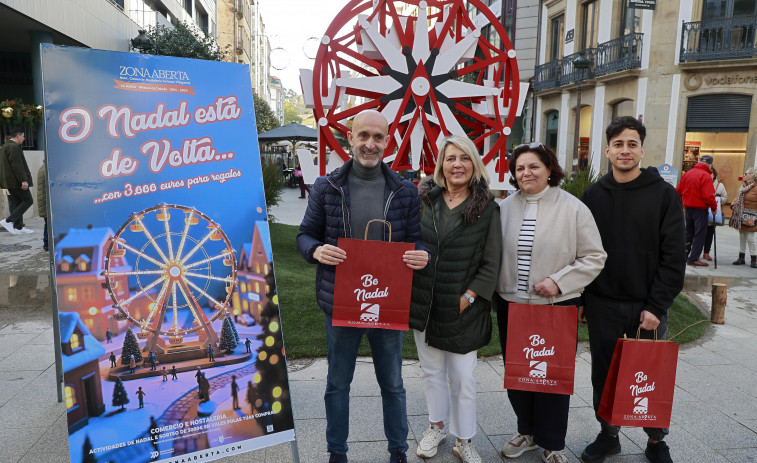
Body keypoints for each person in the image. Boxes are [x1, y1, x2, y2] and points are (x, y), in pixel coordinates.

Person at [297, 109, 428, 463]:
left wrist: (422, 255)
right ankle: (337, 453)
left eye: (378, 137)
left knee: (393, 384)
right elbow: (304, 235)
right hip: (341, 300)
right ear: (351, 138)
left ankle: (397, 451)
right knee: (338, 384)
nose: (370, 144)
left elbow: (417, 241)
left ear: (388, 142)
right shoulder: (327, 186)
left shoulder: (404, 190)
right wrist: (315, 250)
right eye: (364, 136)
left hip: (386, 300)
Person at [580, 116, 685, 463]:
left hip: (647, 306)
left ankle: (656, 441)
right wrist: (582, 299)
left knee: (648, 374)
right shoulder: (593, 196)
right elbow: (581, 252)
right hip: (603, 303)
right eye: (619, 144)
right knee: (604, 373)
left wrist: (657, 306)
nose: (625, 150)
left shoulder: (664, 195)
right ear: (608, 150)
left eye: (632, 144)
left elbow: (674, 256)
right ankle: (608, 435)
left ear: (642, 149)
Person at [496, 142, 606, 463]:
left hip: (556, 306)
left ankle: (553, 442)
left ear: (549, 169)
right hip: (512, 306)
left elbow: (594, 257)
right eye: (519, 168)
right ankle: (527, 432)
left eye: (533, 166)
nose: (526, 173)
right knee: (518, 375)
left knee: (550, 376)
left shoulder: (572, 208)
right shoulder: (503, 208)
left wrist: (558, 282)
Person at [408, 135, 501, 463]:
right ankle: (436, 427)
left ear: (474, 164)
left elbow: (492, 261)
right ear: (441, 165)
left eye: (464, 158)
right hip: (424, 303)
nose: (457, 164)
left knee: (462, 377)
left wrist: (470, 296)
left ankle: (466, 439)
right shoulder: (423, 200)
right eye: (451, 158)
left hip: (464, 306)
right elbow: (407, 242)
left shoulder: (488, 208)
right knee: (431, 371)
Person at [676, 154, 717, 266]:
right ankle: (693, 258)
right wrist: (714, 208)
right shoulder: (705, 176)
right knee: (700, 234)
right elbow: (708, 196)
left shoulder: (688, 174)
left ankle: (684, 255)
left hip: (688, 209)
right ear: (710, 165)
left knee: (688, 233)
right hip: (700, 210)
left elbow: (678, 190)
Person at [0, 126, 34, 234]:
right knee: (28, 200)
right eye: (23, 136)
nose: (24, 138)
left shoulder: (5, 146)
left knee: (16, 202)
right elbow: (17, 165)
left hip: (8, 181)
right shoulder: (13, 147)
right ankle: (8, 221)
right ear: (18, 136)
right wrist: (23, 180)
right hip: (15, 182)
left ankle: (19, 227)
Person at [729, 167, 757, 268]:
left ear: (753, 175)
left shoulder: (756, 186)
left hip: (752, 217)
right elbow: (737, 197)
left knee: (750, 238)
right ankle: (741, 258)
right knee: (742, 236)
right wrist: (733, 205)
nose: (744, 175)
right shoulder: (743, 186)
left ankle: (754, 259)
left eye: (747, 174)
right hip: (741, 215)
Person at [703, 167, 728, 261]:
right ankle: (696, 251)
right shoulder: (703, 182)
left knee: (710, 233)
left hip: (713, 212)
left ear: (714, 174)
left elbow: (725, 198)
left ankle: (706, 252)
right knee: (699, 233)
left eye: (711, 173)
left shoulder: (720, 186)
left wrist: (717, 199)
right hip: (702, 211)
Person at [37, 161, 48, 251]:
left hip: (44, 202)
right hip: (46, 202)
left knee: (47, 223)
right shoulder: (47, 169)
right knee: (49, 224)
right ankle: (47, 244)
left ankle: (46, 244)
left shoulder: (43, 167)